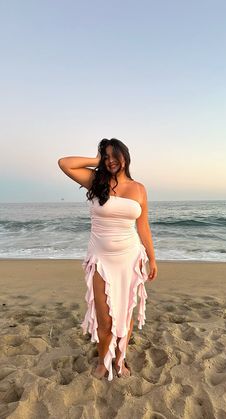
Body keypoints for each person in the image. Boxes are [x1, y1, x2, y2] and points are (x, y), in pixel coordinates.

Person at [58, 138, 158, 381]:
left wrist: (152, 259)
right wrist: (96, 161)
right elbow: (64, 163)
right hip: (101, 259)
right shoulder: (96, 181)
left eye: (115, 155)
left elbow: (142, 226)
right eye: (106, 156)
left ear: (126, 156)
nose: (111, 160)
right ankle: (104, 363)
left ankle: (120, 360)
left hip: (130, 258)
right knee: (105, 318)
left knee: (125, 314)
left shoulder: (139, 188)